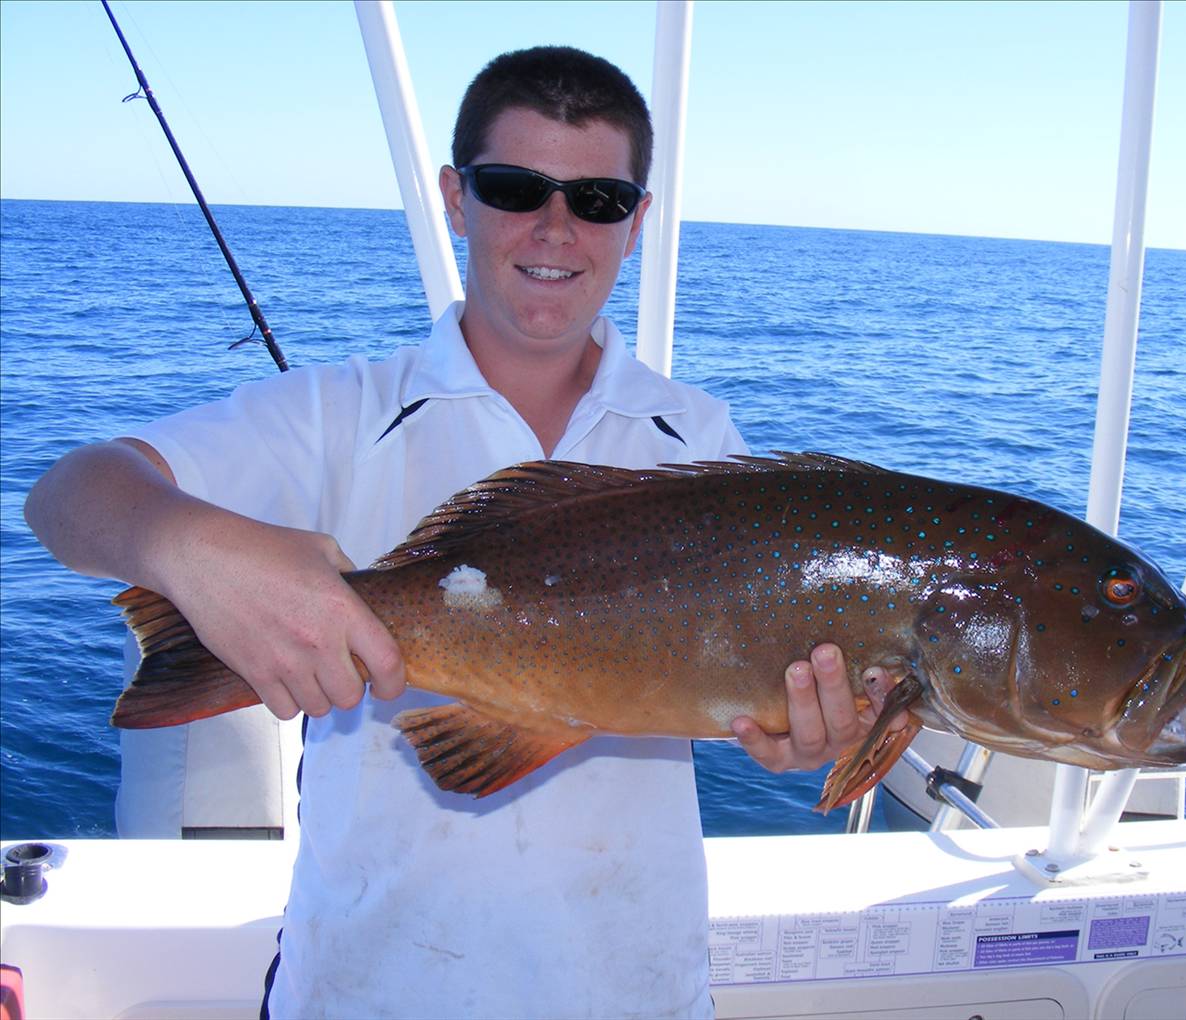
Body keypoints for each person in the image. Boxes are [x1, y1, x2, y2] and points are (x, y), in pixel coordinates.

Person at [26, 46, 892, 1018]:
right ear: (455, 196)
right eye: (517, 187)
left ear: (637, 221)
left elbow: (741, 680)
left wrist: (797, 732)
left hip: (630, 991)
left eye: (599, 199)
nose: (556, 227)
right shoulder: (342, 414)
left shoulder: (699, 438)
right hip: (366, 987)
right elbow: (71, 496)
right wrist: (190, 550)